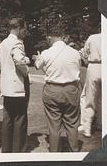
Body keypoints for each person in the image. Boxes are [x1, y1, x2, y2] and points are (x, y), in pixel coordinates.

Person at [32, 24, 81, 152]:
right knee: (72, 123)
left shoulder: (46, 53)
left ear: (49, 38)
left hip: (53, 89)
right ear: (63, 37)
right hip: (71, 89)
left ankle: (55, 152)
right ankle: (74, 151)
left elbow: (38, 66)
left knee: (54, 124)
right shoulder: (75, 53)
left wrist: (37, 58)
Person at [0, 18, 30, 153]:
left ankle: (6, 149)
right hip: (17, 86)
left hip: (6, 87)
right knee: (20, 119)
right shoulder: (17, 42)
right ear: (19, 28)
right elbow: (18, 60)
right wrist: (26, 71)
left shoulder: (3, 43)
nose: (25, 32)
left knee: (8, 119)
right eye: (24, 29)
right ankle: (19, 151)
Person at [78, 25, 101, 137]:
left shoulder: (92, 37)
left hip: (94, 66)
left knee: (89, 98)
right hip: (106, 66)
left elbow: (85, 53)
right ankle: (101, 123)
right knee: (103, 98)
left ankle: (87, 128)